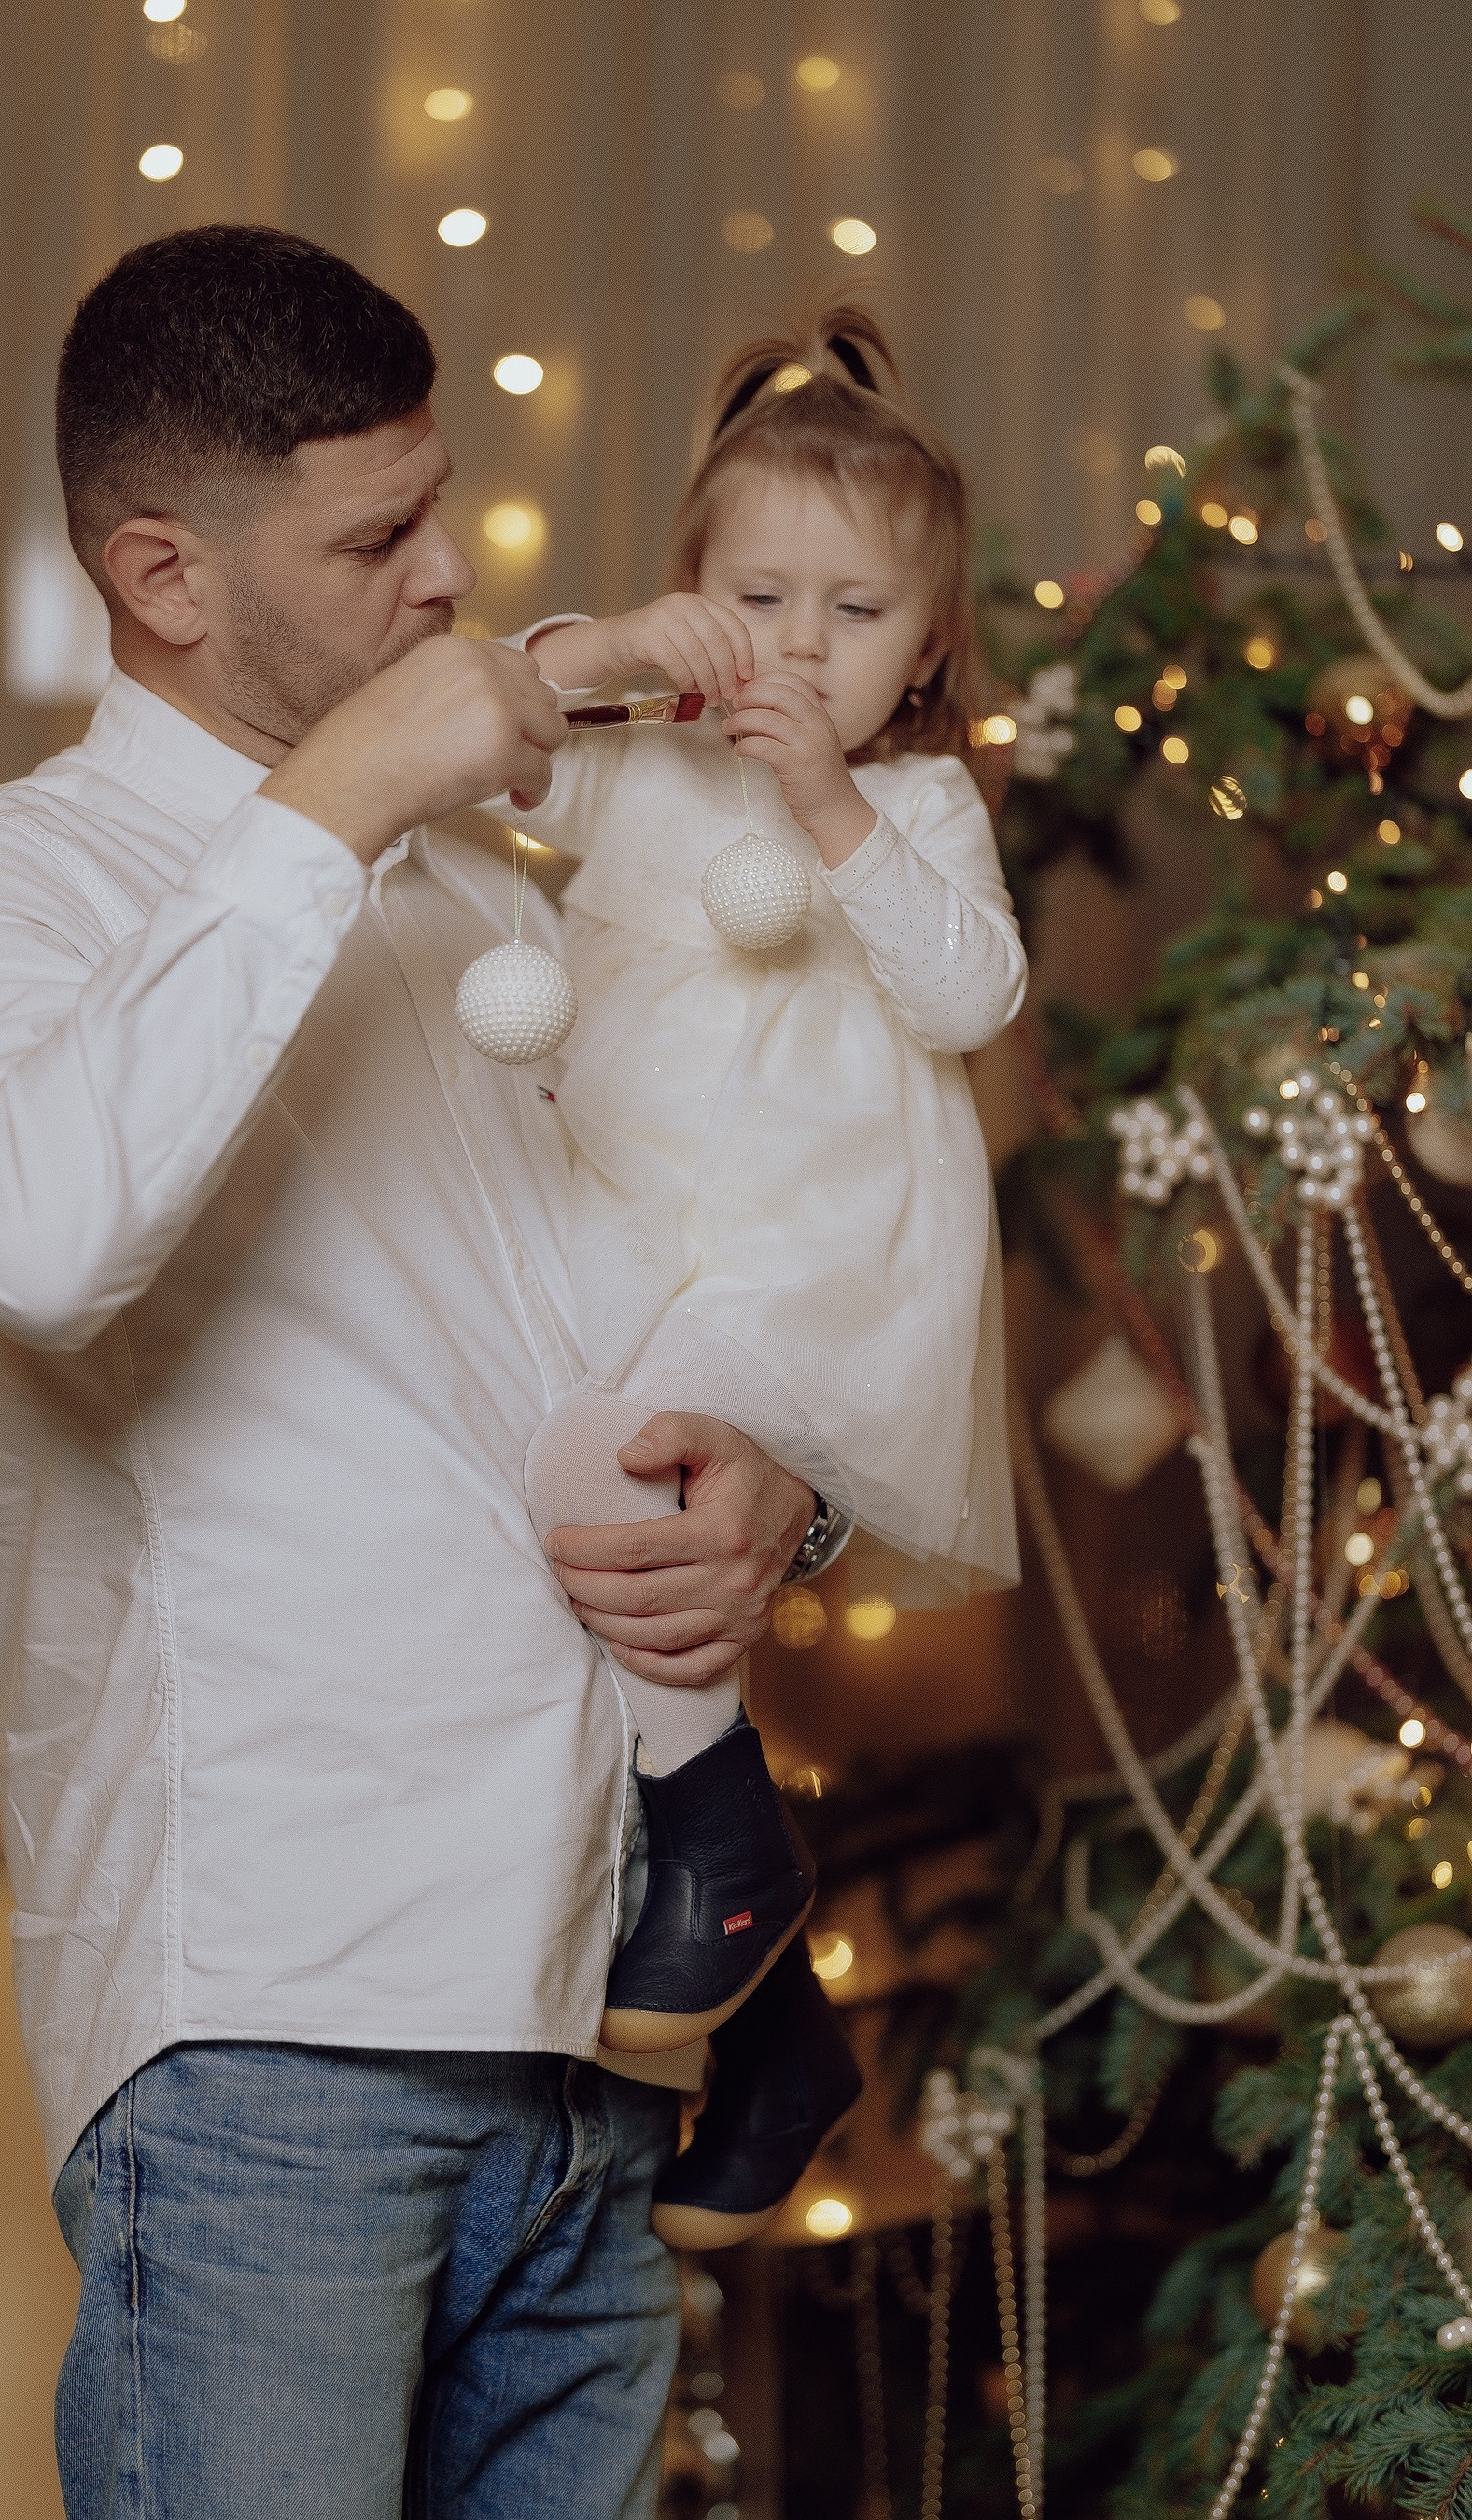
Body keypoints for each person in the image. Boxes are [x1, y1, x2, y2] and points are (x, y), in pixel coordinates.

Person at [0, 226, 843, 2520]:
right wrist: (334, 802)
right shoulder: (14, 884)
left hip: (597, 2029)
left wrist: (780, 1484)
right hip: (273, 2043)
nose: (452, 578)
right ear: (164, 578)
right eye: (375, 539)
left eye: (442, 510)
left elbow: (663, 1299)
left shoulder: (492, 895)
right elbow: (27, 1241)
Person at [498, 305, 1025, 2233]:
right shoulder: (640, 764)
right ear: (693, 605)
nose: (801, 650)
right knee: (569, 1518)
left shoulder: (921, 806)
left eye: (857, 613)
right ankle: (777, 2012)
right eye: (757, 600)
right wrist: (605, 655)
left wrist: (833, 811)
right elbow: (475, 735)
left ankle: (728, 1874)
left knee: (624, 1486)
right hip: (627, 1233)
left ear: (928, 649)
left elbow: (972, 993)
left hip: (809, 1266)